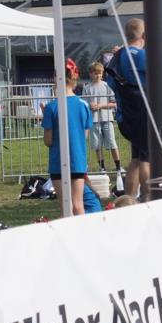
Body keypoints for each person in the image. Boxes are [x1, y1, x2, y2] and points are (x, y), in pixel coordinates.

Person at [42, 59, 93, 214]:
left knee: (66, 206)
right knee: (78, 204)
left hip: (58, 162)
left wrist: (46, 118)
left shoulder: (51, 107)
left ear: (56, 79)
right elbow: (84, 135)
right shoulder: (84, 105)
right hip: (78, 161)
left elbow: (48, 140)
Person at [108, 18, 150, 201]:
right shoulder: (141, 56)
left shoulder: (117, 56)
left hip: (125, 115)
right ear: (144, 35)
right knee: (147, 159)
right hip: (142, 112)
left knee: (136, 159)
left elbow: (111, 82)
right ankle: (149, 198)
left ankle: (129, 200)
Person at [82, 61, 121, 173]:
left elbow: (114, 103)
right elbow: (84, 104)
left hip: (107, 119)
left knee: (112, 143)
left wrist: (100, 106)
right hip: (94, 121)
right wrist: (90, 105)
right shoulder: (87, 88)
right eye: (96, 73)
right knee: (97, 145)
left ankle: (118, 167)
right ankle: (102, 167)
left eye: (100, 73)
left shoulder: (107, 85)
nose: (98, 75)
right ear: (90, 73)